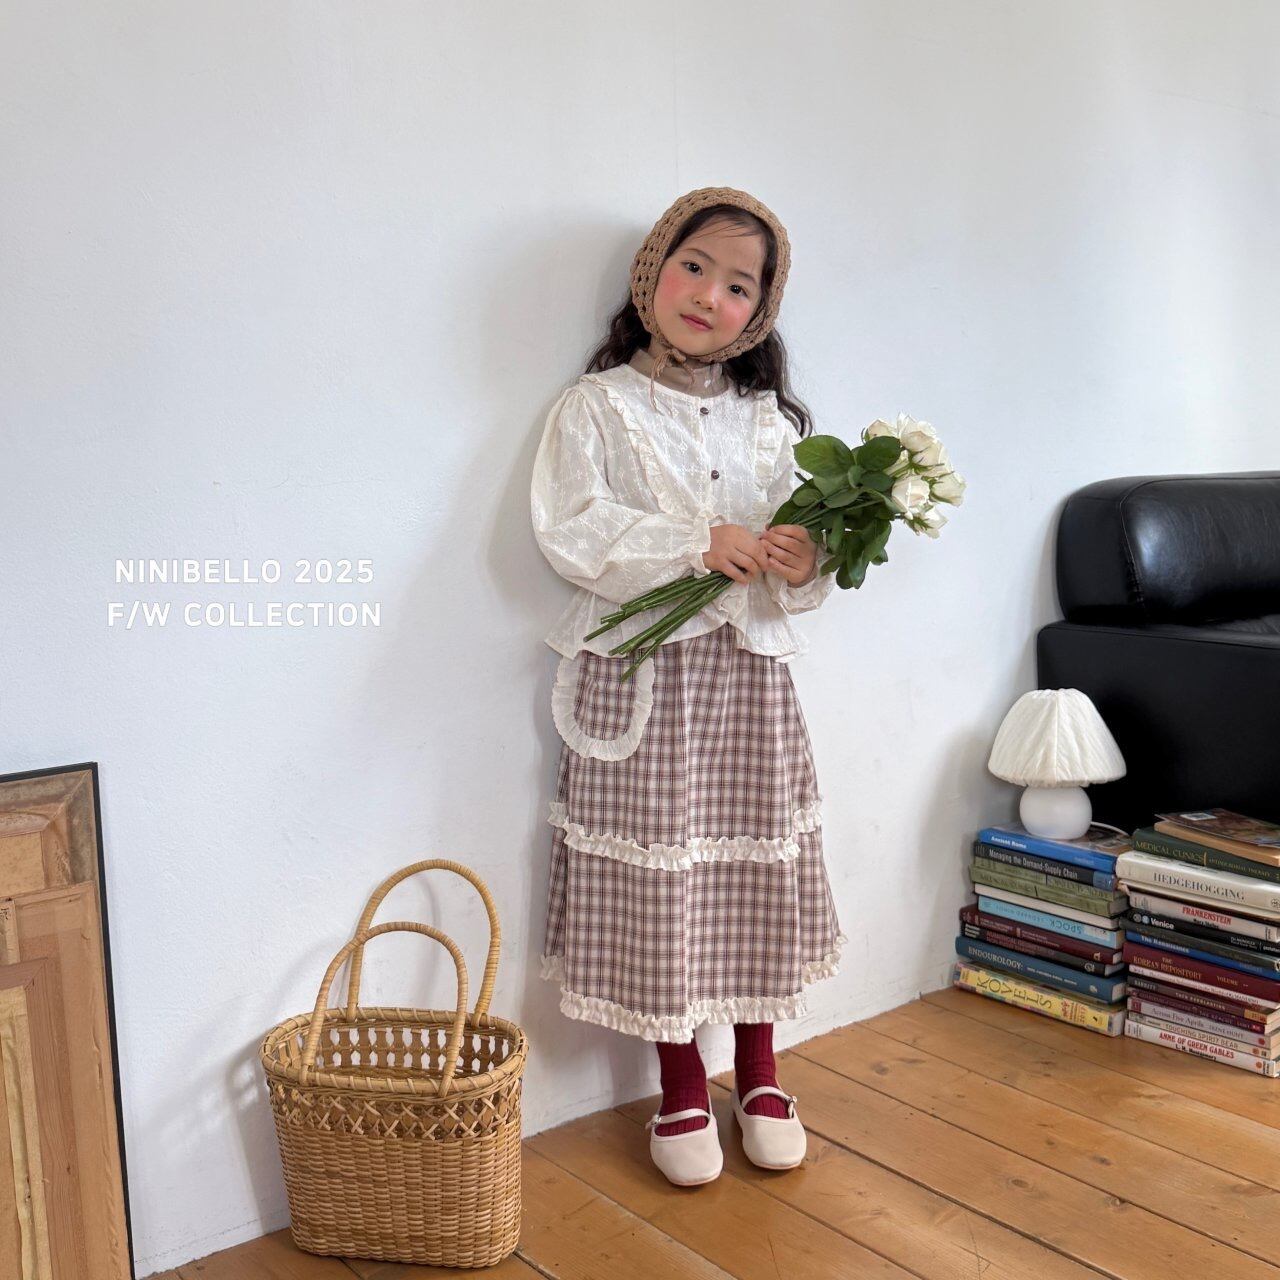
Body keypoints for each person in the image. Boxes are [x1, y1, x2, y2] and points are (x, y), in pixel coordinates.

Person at [529, 186, 846, 1187]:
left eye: (738, 285)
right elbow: (569, 527)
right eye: (694, 267)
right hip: (645, 677)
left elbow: (806, 549)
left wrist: (803, 558)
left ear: (760, 312)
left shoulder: (769, 425)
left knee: (753, 870)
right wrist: (690, 545)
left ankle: (759, 1070)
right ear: (653, 272)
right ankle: (678, 1080)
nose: (709, 295)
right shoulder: (597, 406)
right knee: (662, 876)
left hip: (748, 679)